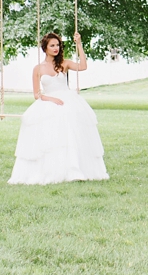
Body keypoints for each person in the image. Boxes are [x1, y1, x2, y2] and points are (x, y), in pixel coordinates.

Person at [8, 31, 108, 184]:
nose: (56, 48)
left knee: (71, 130)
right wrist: (50, 99)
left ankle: (75, 169)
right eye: (52, 45)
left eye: (58, 45)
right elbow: (37, 94)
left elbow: (83, 66)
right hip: (49, 100)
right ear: (45, 48)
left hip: (68, 99)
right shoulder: (38, 69)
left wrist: (79, 44)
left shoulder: (64, 63)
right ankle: (52, 169)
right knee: (51, 135)